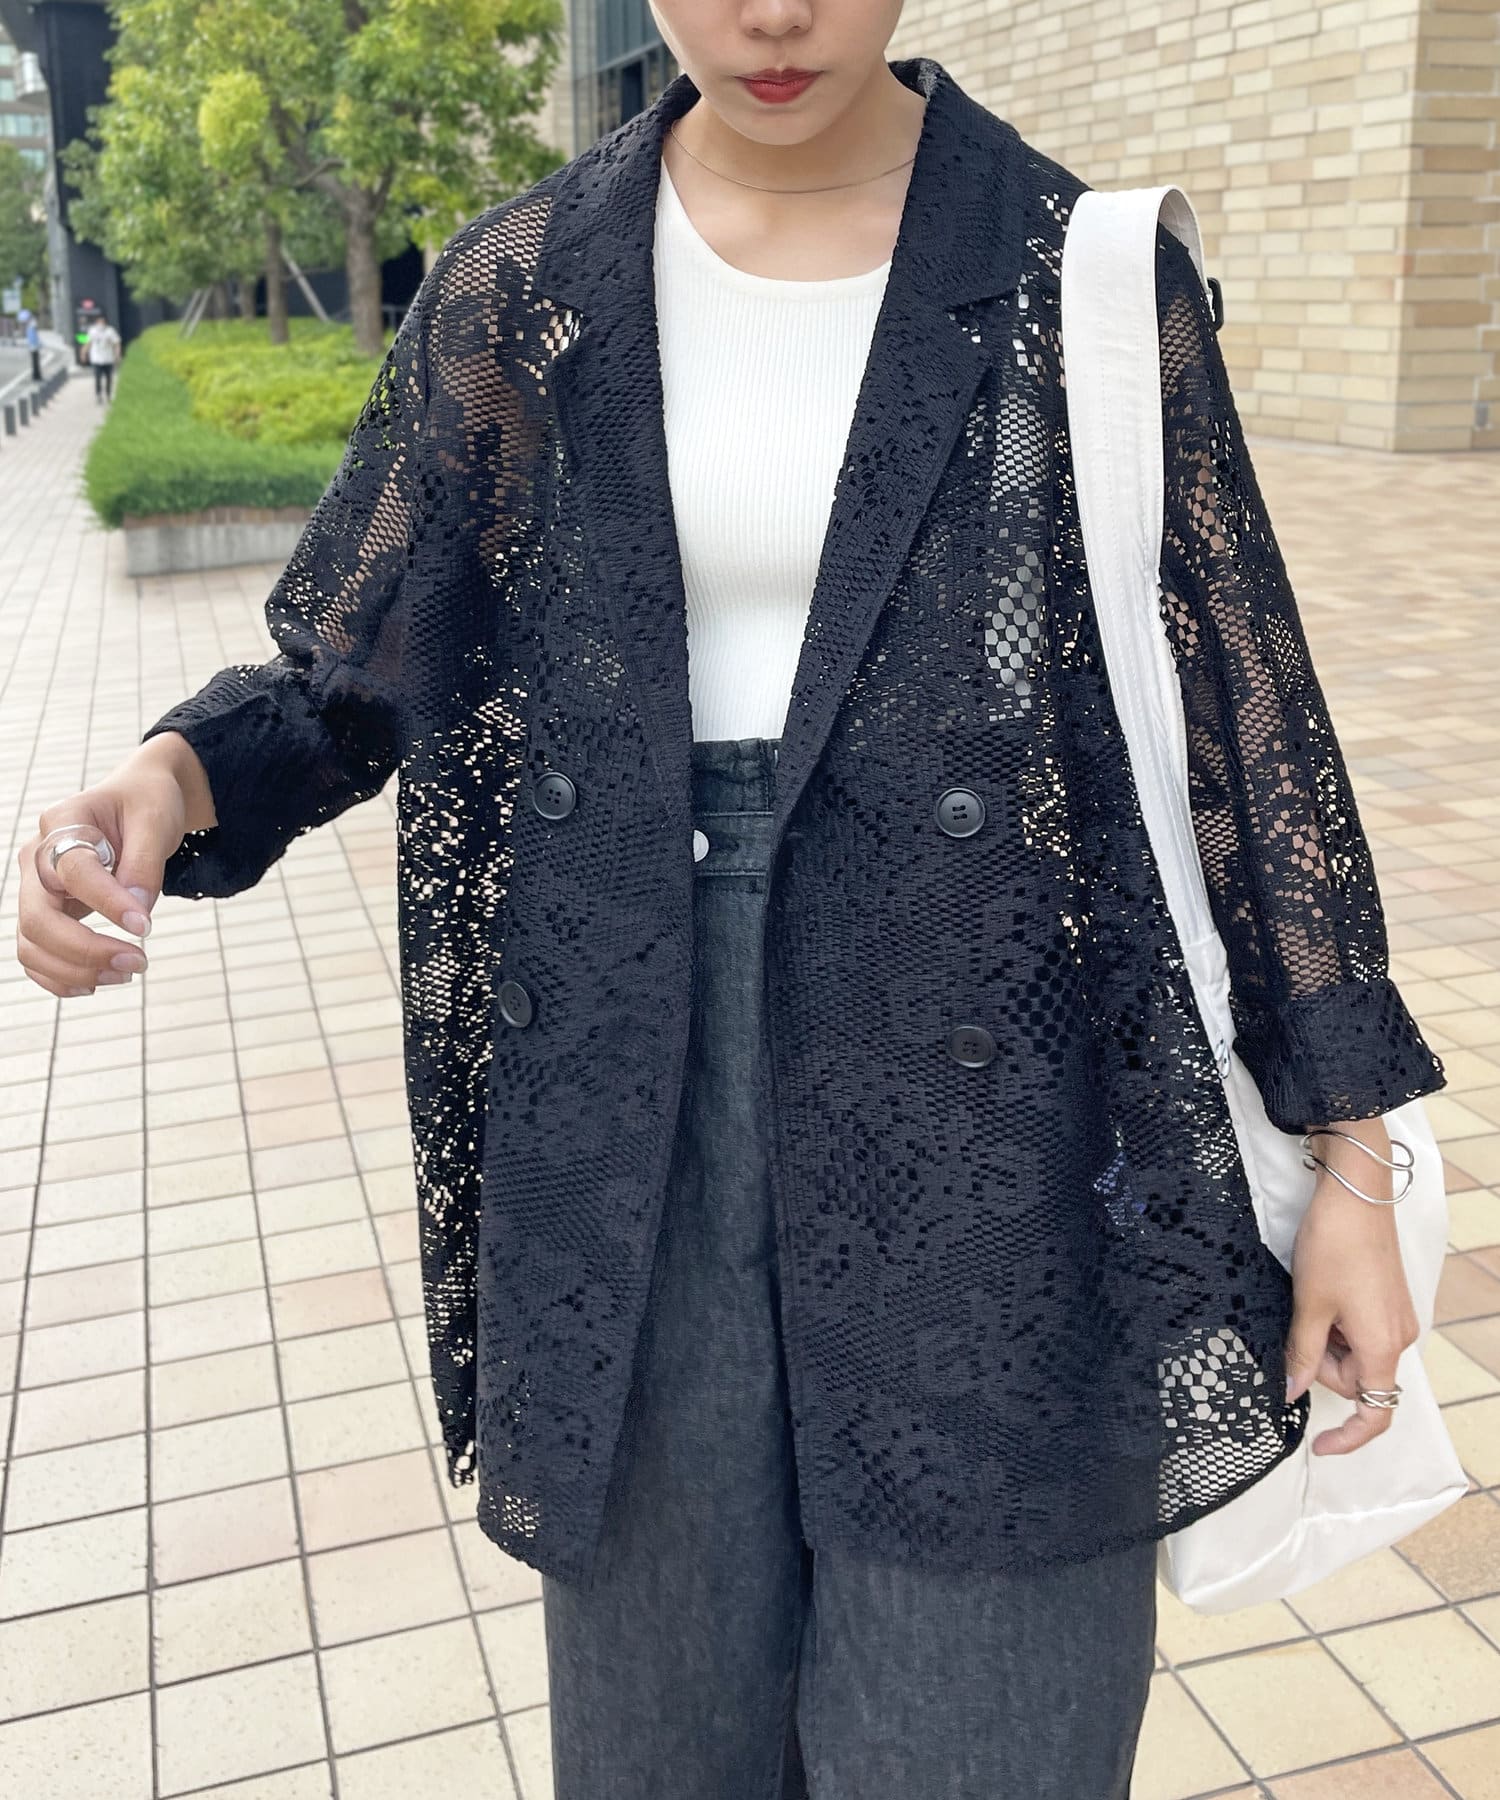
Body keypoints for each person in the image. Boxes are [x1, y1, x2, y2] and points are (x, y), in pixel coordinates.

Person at [15, 6, 1446, 1796]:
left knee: (980, 1730)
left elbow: (1245, 724)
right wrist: (171, 783)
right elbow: (355, 665)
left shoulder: (1068, 274)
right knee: (660, 1737)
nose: (770, 15)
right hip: (621, 1101)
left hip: (990, 1100)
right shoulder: (526, 289)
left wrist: (1354, 1163)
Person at [85, 313, 123, 402]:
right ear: (96, 322)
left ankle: (108, 394)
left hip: (108, 359)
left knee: (109, 378)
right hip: (96, 359)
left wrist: (117, 355)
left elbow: (117, 343)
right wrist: (84, 353)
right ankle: (98, 395)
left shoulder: (110, 331)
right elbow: (88, 343)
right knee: (97, 378)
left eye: (102, 321)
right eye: (99, 321)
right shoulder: (92, 331)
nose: (101, 323)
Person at [21, 309, 41, 383]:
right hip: (33, 345)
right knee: (35, 361)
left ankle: (36, 376)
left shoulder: (31, 324)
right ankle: (36, 376)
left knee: (35, 361)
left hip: (33, 345)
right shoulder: (31, 324)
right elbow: (33, 335)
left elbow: (33, 335)